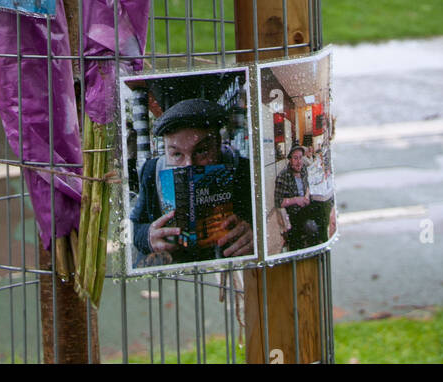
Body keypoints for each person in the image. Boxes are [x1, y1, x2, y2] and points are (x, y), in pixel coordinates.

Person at [131, 98, 254, 265]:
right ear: (165, 150)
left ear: (218, 144)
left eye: (201, 151)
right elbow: (132, 226)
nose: (189, 165)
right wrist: (147, 236)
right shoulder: (151, 171)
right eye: (176, 154)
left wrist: (254, 235)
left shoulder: (244, 170)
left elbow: (267, 222)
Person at [275, 143, 321, 252]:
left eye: (300, 158)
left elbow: (307, 186)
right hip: (293, 213)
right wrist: (296, 199)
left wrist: (306, 195)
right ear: (290, 160)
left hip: (306, 207)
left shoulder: (303, 169)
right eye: (295, 158)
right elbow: (278, 202)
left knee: (321, 211)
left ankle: (316, 249)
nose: (299, 161)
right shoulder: (283, 176)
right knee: (310, 227)